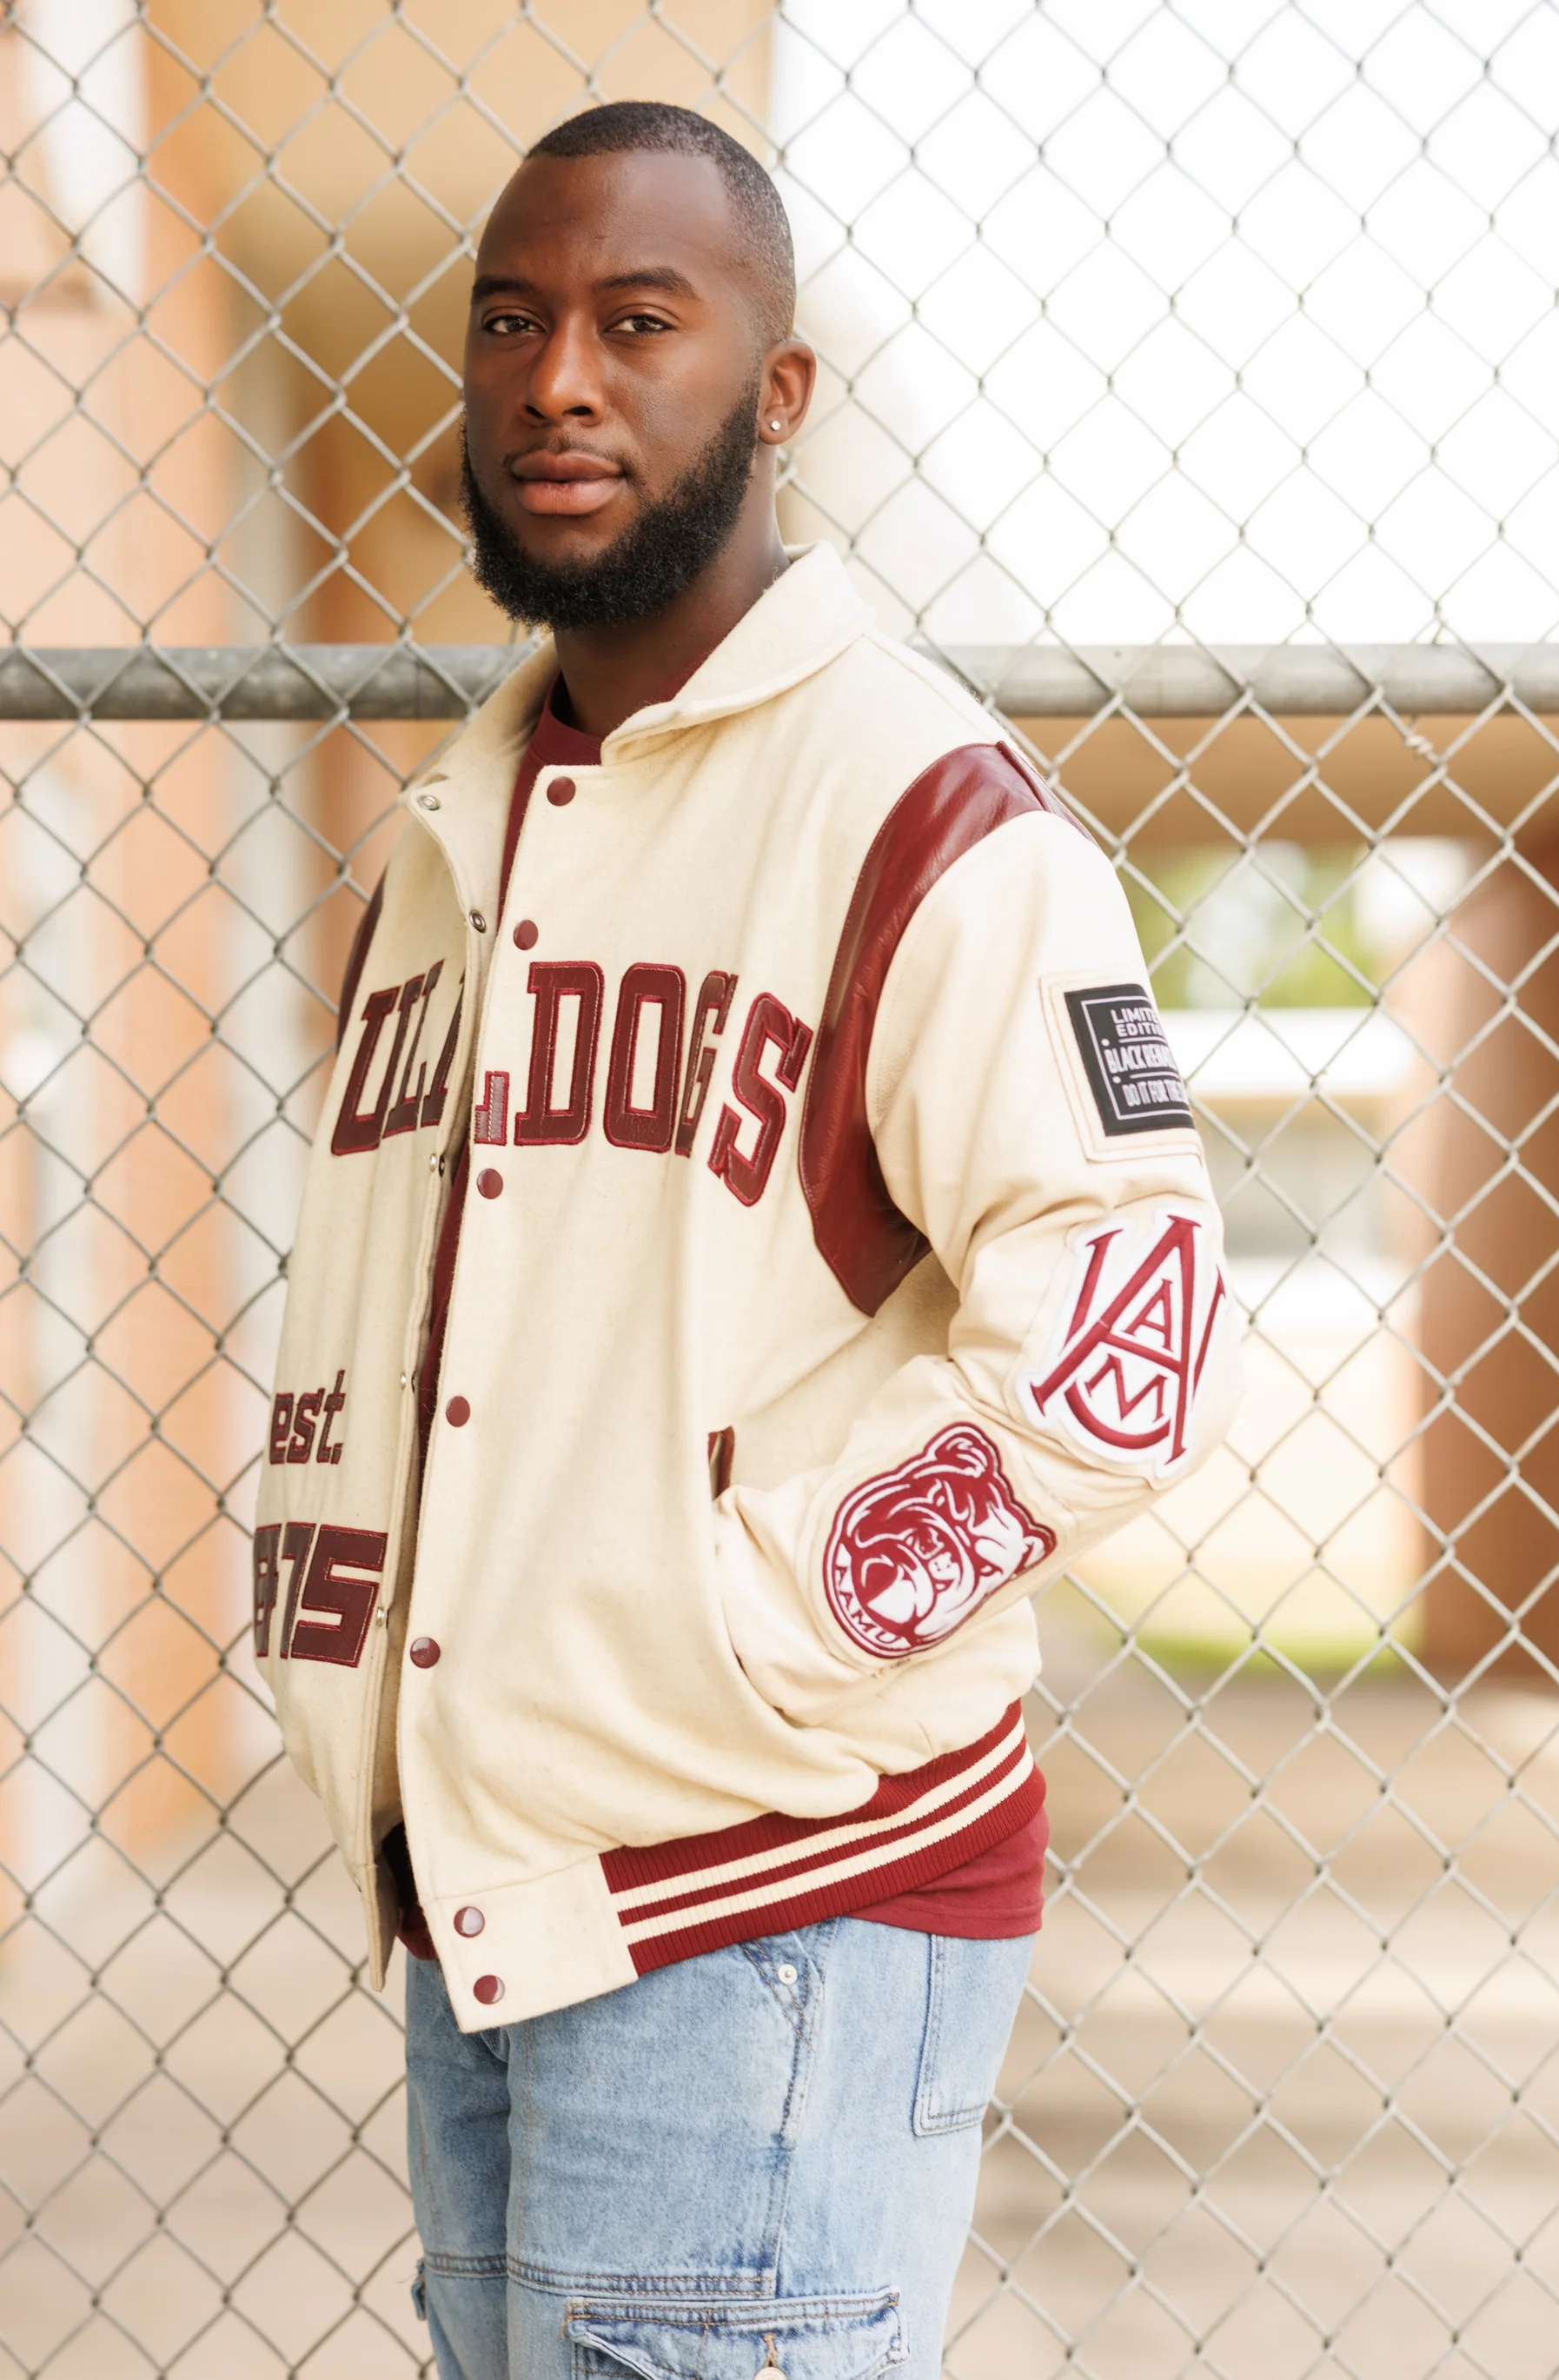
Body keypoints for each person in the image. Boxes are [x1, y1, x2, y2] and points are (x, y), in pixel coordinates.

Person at [254, 101, 1241, 2380]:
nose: (557, 382)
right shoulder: (463, 818)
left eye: (636, 320)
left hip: (771, 1904)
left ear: (775, 393)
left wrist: (763, 1620)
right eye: (511, 322)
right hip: (495, 1893)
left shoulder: (915, 802)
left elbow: (1124, 1332)